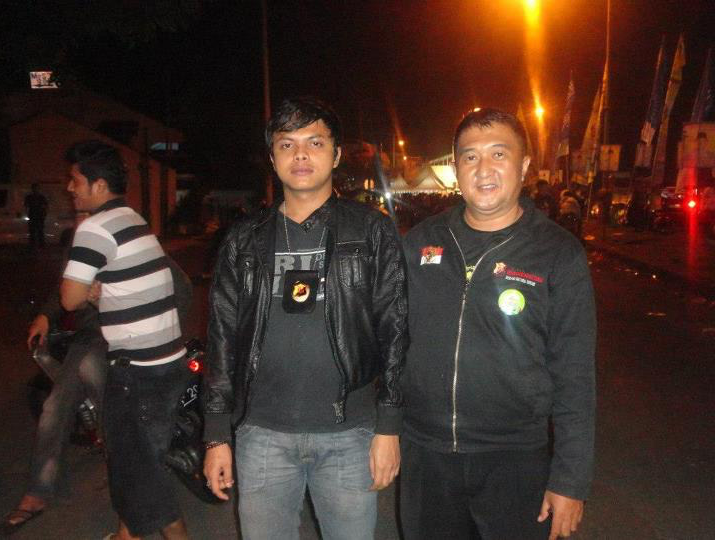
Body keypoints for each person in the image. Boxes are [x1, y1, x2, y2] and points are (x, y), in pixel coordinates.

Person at [202, 97, 407, 540]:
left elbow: (395, 328)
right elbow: (221, 336)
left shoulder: (370, 230)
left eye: (315, 143)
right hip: (261, 433)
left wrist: (389, 425)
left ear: (336, 155)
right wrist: (216, 435)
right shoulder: (243, 239)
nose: (300, 154)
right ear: (272, 157)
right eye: (286, 144)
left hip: (350, 433)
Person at [400, 108, 596, 540]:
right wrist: (386, 428)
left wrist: (570, 479)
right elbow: (393, 344)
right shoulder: (420, 242)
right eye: (470, 157)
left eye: (498, 154)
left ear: (524, 166)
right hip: (427, 455)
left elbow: (575, 374)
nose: (483, 168)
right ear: (456, 168)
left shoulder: (558, 253)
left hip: (516, 459)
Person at [59, 140, 190, 540]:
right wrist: (98, 292)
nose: (69, 187)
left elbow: (69, 298)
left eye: (75, 180)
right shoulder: (132, 218)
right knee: (139, 462)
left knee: (137, 470)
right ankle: (126, 536)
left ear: (98, 185)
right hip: (167, 362)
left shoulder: (94, 228)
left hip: (139, 371)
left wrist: (90, 290)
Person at [0, 289, 107, 535]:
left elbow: (179, 287)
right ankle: (38, 492)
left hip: (128, 335)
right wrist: (45, 315)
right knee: (53, 409)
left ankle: (128, 471)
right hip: (89, 339)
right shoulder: (81, 261)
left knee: (102, 391)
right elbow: (65, 290)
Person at [24, 183, 48, 248]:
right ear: (32, 189)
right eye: (34, 188)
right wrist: (27, 214)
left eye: (37, 188)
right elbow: (26, 207)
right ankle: (33, 245)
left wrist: (44, 214)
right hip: (32, 216)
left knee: (40, 231)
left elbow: (45, 206)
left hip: (39, 216)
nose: (35, 189)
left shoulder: (41, 197)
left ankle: (41, 245)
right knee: (32, 232)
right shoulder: (29, 197)